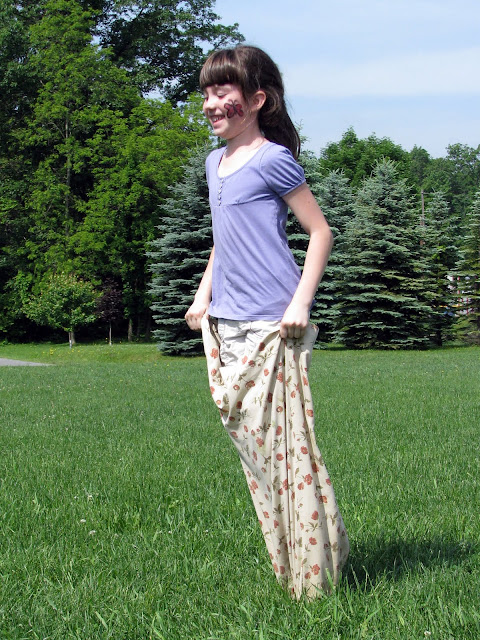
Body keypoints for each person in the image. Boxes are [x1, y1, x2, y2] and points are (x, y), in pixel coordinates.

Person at [185, 45, 349, 599]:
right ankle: (293, 562)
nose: (211, 103)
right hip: (225, 324)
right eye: (206, 93)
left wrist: (300, 304)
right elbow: (224, 241)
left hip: (274, 325)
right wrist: (203, 295)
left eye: (222, 92)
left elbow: (320, 233)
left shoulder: (272, 159)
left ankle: (317, 573)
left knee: (288, 451)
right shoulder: (214, 163)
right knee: (256, 453)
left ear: (256, 100)